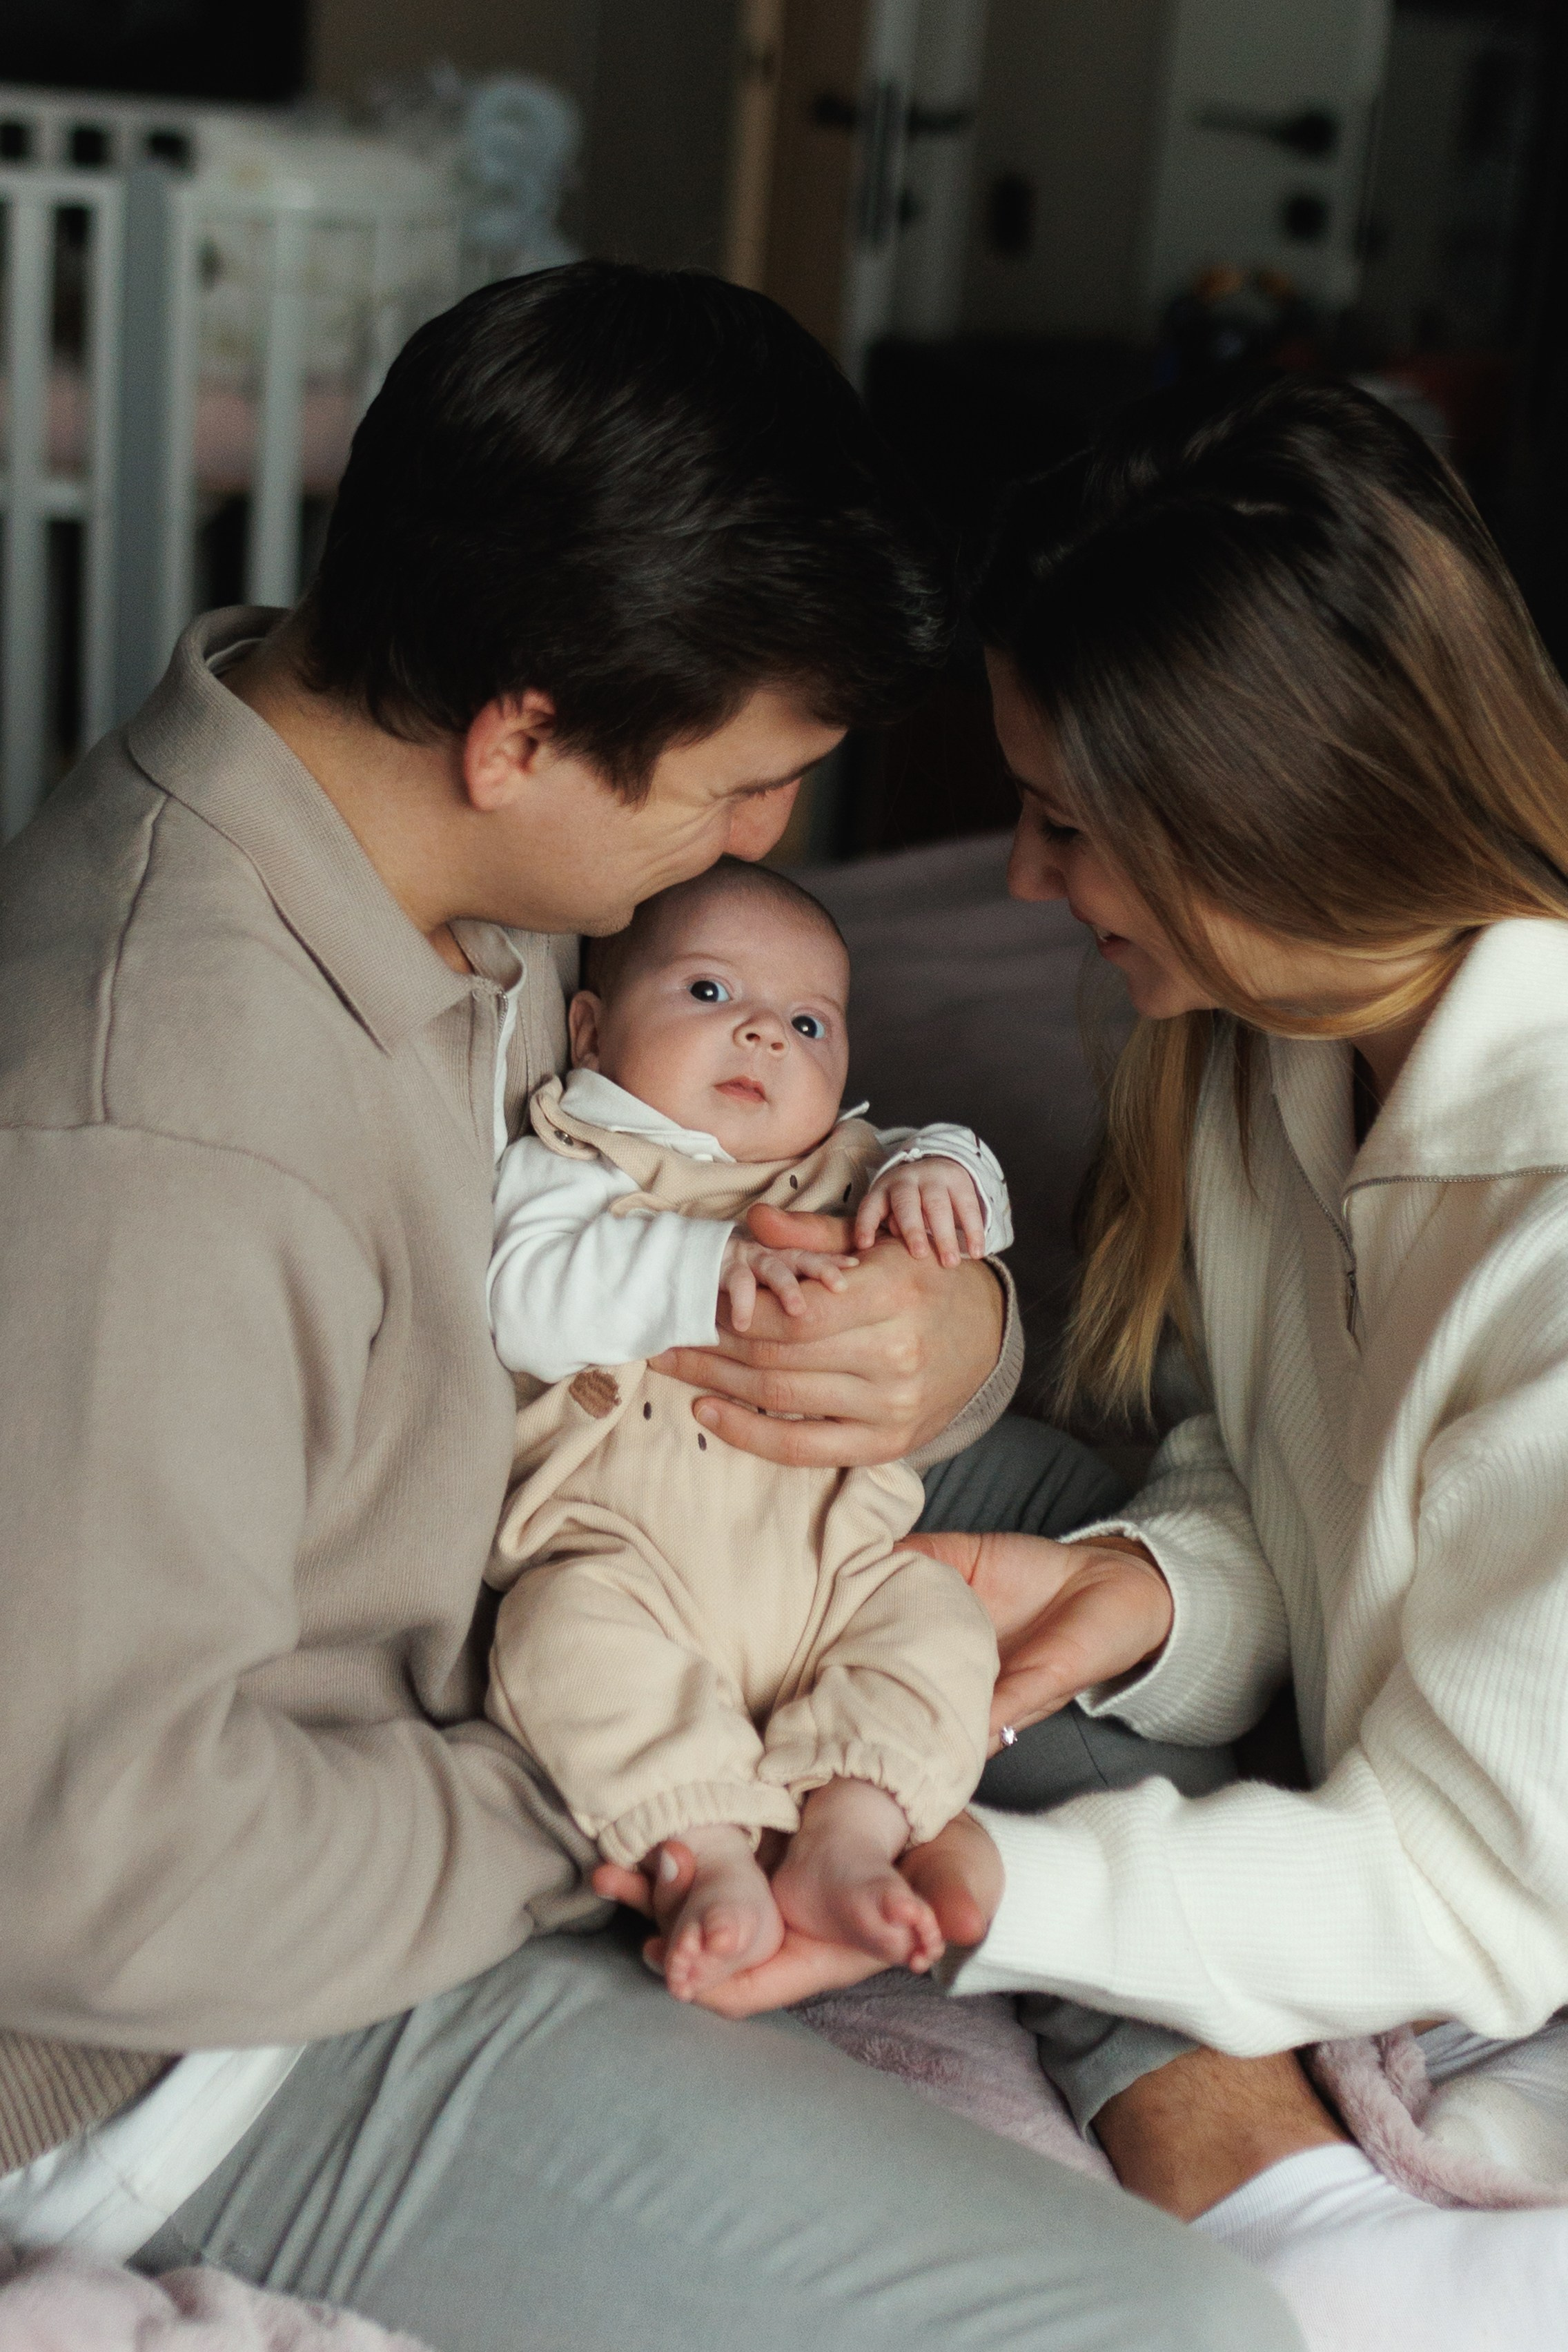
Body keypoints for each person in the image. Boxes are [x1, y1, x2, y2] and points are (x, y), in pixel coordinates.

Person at [0, 264, 1297, 2352]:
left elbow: (725, 1180)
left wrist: (942, 1346)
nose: (759, 849)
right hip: (196, 2028)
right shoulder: (155, 1134)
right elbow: (93, 1868)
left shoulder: (427, 826)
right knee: (1177, 2339)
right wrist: (635, 1778)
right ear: (521, 734)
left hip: (563, 1543)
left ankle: (1208, 2073)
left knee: (1120, 1551)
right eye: (729, 793)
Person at [614, 373, 1568, 2351]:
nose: (1024, 883)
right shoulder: (1261, 1042)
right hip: (1394, 1766)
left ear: (1266, 822)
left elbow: (1476, 1881)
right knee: (909, 1520)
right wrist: (1151, 1590)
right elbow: (1291, 1474)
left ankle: (1304, 2209)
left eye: (1064, 824)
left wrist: (983, 1887)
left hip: (1503, 1891)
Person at [484, 856, 1010, 1999]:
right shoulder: (574, 1161)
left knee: (939, 1619)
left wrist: (942, 1174)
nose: (766, 1035)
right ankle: (708, 1849)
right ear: (590, 1031)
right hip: (624, 1568)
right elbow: (520, 1298)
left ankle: (850, 1831)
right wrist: (704, 1261)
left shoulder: (850, 1174)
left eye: (808, 1023)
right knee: (556, 1639)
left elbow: (965, 1174)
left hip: (836, 1580)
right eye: (711, 992)